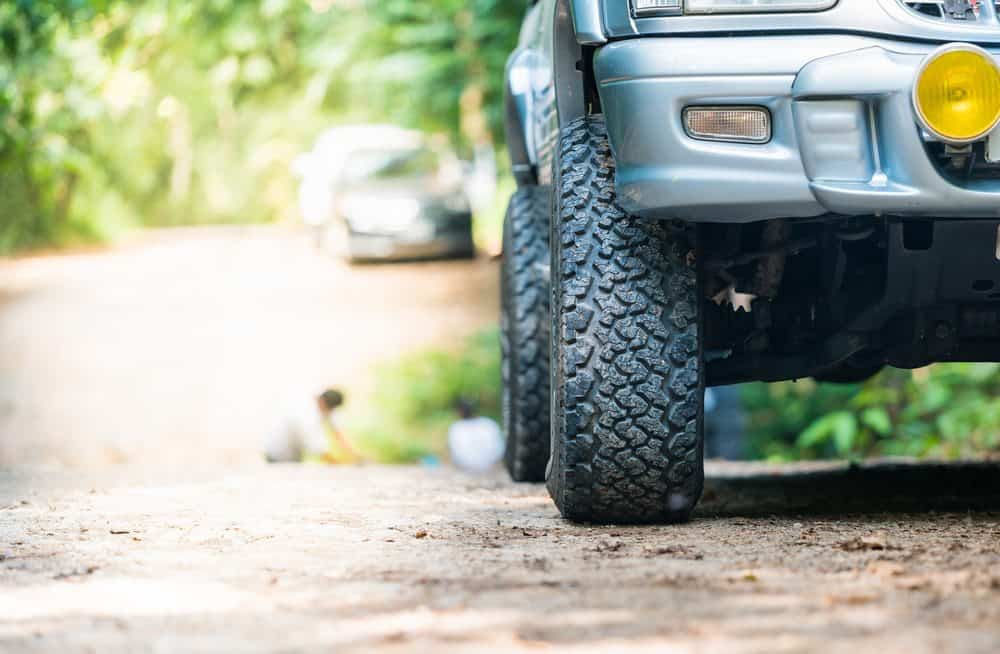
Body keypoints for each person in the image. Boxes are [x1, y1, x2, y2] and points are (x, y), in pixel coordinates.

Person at [263, 388, 362, 464]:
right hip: (278, 455)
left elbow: (337, 431)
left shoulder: (322, 406)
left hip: (293, 454)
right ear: (324, 404)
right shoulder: (307, 415)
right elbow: (319, 449)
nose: (331, 413)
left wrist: (354, 455)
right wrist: (338, 464)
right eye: (331, 410)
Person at [447, 398, 504, 473]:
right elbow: (499, 450)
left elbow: (455, 454)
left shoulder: (456, 428)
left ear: (459, 412)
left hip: (466, 467)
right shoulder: (489, 423)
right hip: (490, 466)